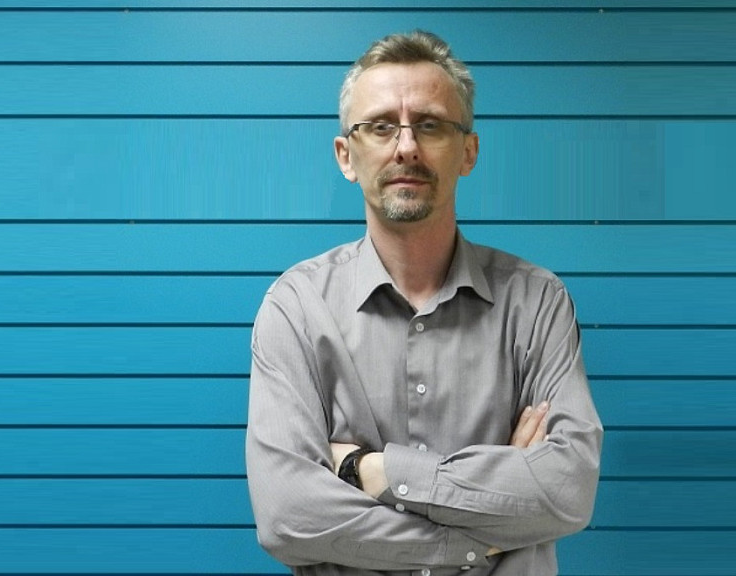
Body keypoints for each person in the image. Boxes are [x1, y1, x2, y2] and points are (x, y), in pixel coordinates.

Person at [246, 30, 602, 575]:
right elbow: (288, 515)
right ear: (346, 155)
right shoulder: (296, 307)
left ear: (468, 152)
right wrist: (484, 526)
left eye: (430, 125)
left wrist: (370, 470)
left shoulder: (537, 303)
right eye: (380, 126)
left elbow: (567, 491)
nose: (406, 146)